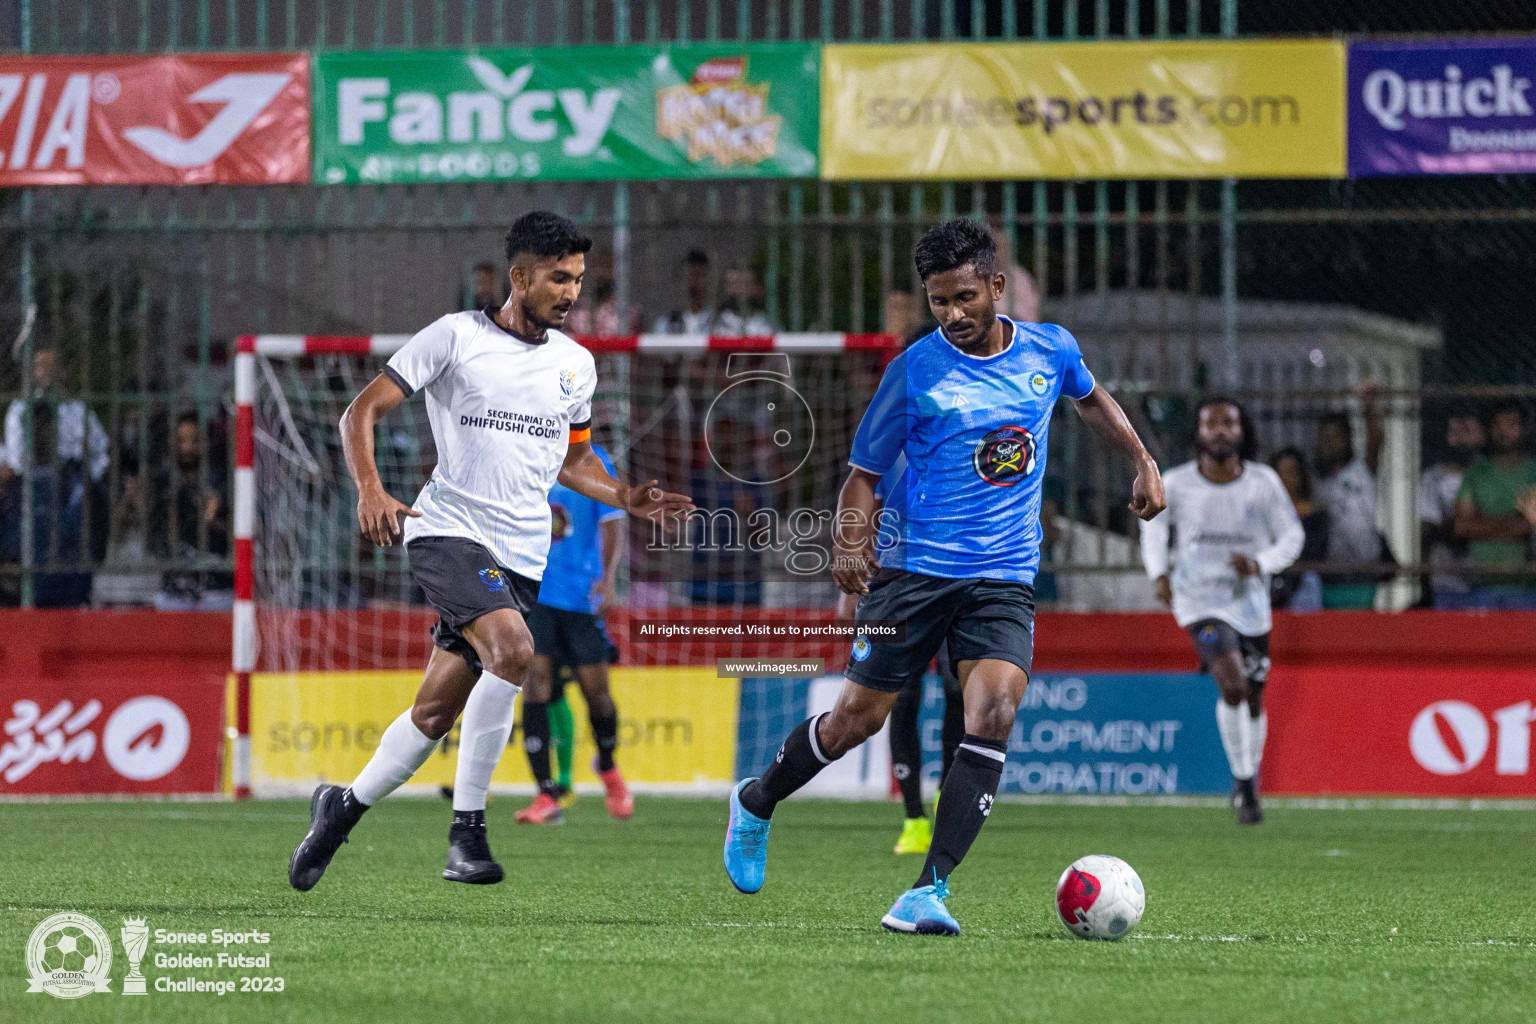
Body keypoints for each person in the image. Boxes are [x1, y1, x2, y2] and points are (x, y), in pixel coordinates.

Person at [722, 218, 1165, 935]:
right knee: (852, 724)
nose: (952, 315)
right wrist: (851, 538)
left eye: (964, 297)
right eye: (938, 302)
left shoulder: (1051, 350)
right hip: (914, 575)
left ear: (996, 285)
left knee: (993, 713)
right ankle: (758, 801)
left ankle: (928, 891)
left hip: (1003, 577)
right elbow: (862, 475)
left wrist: (1142, 459)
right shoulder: (915, 370)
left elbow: (1089, 401)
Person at [288, 212, 691, 892]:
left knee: (434, 712)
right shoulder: (455, 337)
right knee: (513, 652)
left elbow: (577, 458)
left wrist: (623, 497)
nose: (571, 293)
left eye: (580, 281)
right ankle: (467, 835)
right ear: (520, 276)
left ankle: (341, 808)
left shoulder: (576, 365)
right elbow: (360, 411)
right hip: (446, 529)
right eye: (559, 279)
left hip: (523, 556)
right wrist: (370, 490)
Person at [1142, 400, 1303, 825]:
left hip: (1249, 602)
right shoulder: (1175, 483)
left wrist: (1261, 563)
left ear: (1242, 431)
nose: (1219, 431)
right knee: (1231, 684)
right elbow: (1153, 525)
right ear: (1197, 433)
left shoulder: (1263, 483)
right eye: (1210, 423)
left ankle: (1246, 775)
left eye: (1228, 423)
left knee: (1253, 693)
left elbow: (1292, 536)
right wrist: (1159, 571)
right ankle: (1246, 785)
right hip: (1198, 600)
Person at [833, 457, 965, 858]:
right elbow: (866, 515)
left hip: (954, 581)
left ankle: (947, 797)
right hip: (897, 586)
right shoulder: (888, 448)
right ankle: (913, 819)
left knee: (956, 686)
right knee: (902, 697)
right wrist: (849, 587)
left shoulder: (961, 436)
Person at [515, 441, 635, 825]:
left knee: (596, 694)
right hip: (535, 591)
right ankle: (546, 794)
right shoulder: (526, 451)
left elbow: (613, 517)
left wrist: (609, 575)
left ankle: (608, 766)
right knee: (535, 684)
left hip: (581, 595)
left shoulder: (595, 458)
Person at [1451, 403, 1536, 610]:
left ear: (1524, 429)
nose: (1503, 432)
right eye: (1497, 426)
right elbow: (1462, 527)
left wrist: (1482, 524)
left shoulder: (1534, 471)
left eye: (1511, 425)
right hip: (1481, 587)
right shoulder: (1475, 473)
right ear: (1489, 430)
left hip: (1529, 589)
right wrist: (1518, 521)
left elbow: (1531, 525)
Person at [149, 412, 232, 609]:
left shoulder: (222, 481)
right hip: (175, 591)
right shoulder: (164, 484)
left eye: (194, 441)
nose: (187, 448)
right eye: (181, 441)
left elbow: (233, 533)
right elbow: (156, 539)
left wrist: (214, 519)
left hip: (217, 589)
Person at [1313, 382, 1386, 609]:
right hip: (1330, 574)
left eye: (1336, 437)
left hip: (1364, 571)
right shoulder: (1316, 483)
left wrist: (1369, 405)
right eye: (1324, 438)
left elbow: (1376, 439)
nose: (1330, 443)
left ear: (1347, 440)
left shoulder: (1361, 471)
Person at [1420, 411, 1484, 608]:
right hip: (1446, 582)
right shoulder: (1432, 477)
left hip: (1488, 579)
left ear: (1482, 434)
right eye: (1454, 430)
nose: (1460, 438)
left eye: (1467, 430)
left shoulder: (1491, 474)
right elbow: (1427, 532)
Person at [1268, 447, 1326, 613]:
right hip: (1273, 579)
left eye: (1291, 472)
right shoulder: (1264, 512)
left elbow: (1314, 551)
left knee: (1310, 579)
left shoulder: (1315, 513)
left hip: (1303, 582)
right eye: (1281, 472)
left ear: (1301, 476)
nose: (1286, 478)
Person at [653, 249, 719, 334]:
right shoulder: (665, 324)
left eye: (698, 275)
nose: (694, 282)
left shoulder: (719, 324)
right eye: (689, 276)